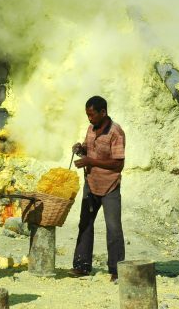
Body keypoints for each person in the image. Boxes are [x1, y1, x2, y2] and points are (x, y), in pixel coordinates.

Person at [70, 95, 126, 282]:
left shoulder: (116, 132)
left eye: (92, 115)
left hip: (110, 186)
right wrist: (80, 149)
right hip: (91, 184)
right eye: (87, 115)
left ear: (103, 112)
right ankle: (82, 266)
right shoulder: (90, 129)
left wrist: (90, 160)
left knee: (113, 228)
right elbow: (89, 149)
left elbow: (118, 165)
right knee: (85, 224)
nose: (89, 119)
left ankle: (117, 270)